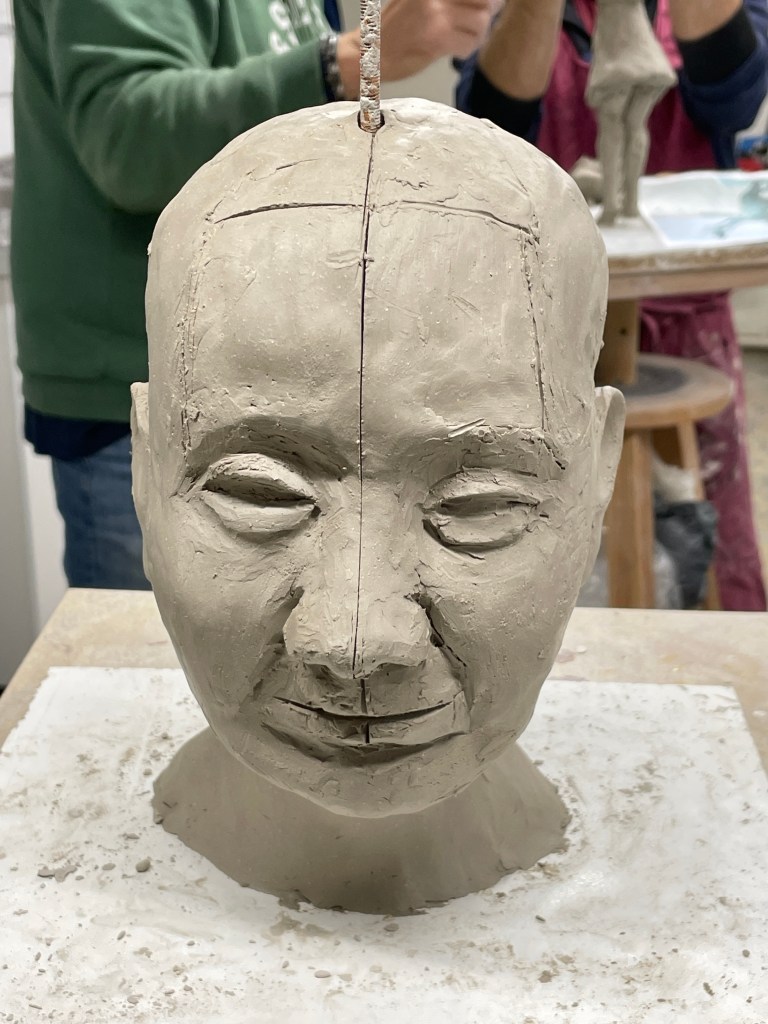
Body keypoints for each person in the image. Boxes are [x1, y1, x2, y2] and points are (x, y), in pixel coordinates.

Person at [11, 0, 493, 590]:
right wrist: (349, 60)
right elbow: (131, 139)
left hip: (260, 377)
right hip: (139, 388)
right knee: (166, 641)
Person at [456, 0, 768, 611]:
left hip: (685, 314)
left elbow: (733, 97)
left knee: (708, 548)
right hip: (545, 314)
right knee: (539, 535)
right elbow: (492, 124)